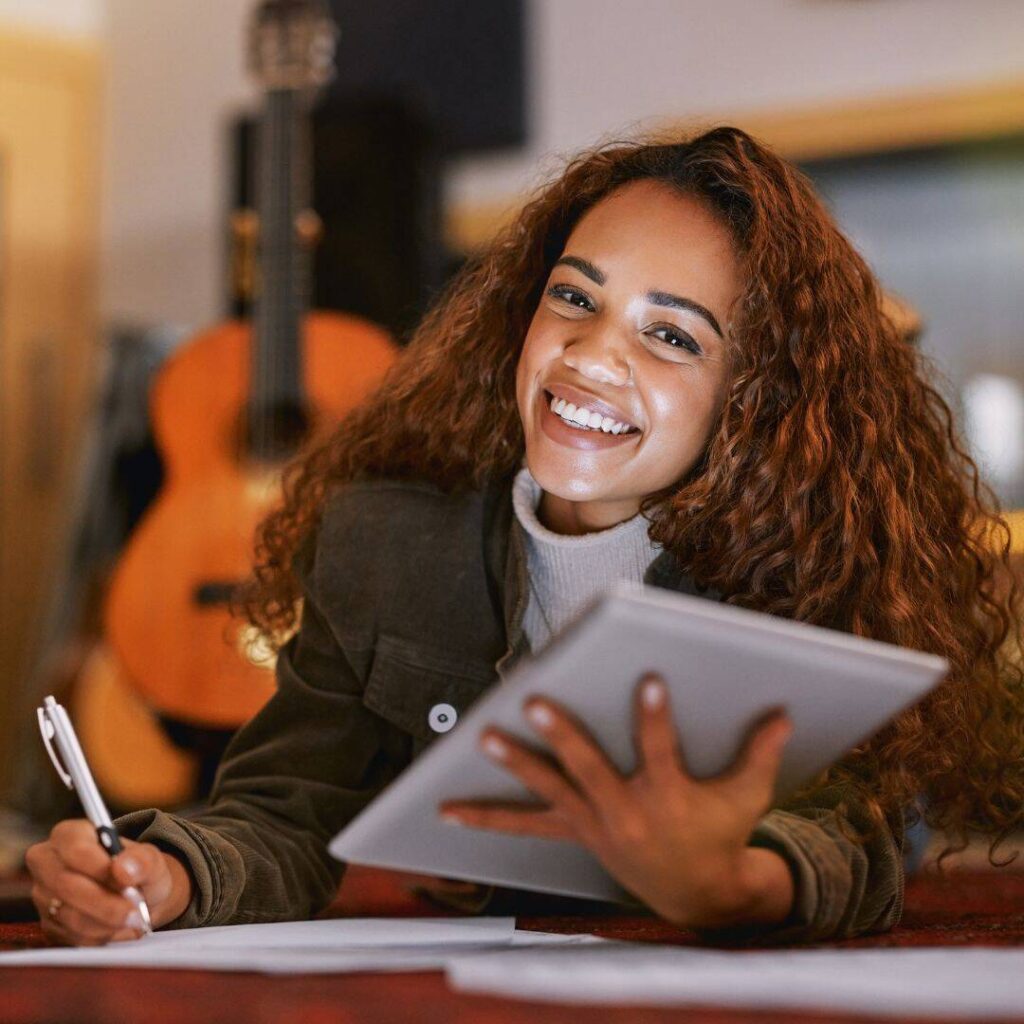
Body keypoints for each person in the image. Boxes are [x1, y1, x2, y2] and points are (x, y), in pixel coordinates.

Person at [26, 126, 1024, 946]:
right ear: (522, 315)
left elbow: (859, 838)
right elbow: (284, 813)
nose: (592, 355)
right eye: (574, 298)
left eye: (671, 335)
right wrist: (167, 874)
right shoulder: (379, 544)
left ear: (755, 398)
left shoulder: (808, 566)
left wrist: (727, 881)